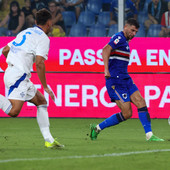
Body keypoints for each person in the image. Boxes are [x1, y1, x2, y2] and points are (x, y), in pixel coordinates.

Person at [90, 18, 164, 142]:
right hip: (115, 81)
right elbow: (105, 49)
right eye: (132, 30)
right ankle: (97, 128)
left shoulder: (126, 41)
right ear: (125, 27)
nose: (134, 34)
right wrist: (106, 69)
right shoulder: (118, 38)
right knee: (127, 113)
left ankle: (149, 135)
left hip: (125, 79)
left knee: (141, 102)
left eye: (136, 32)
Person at [0, 8, 64, 148]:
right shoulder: (43, 38)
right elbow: (40, 63)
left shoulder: (26, 32)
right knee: (14, 111)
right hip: (19, 76)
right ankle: (49, 140)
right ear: (49, 23)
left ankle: (49, 140)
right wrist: (45, 86)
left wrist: (14, 63)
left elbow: (5, 50)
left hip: (16, 74)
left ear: (36, 22)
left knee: (41, 101)